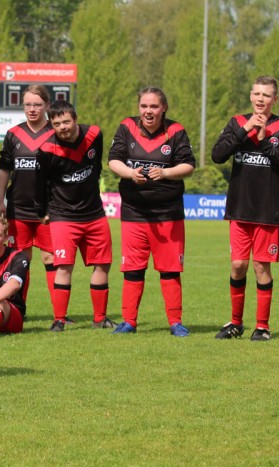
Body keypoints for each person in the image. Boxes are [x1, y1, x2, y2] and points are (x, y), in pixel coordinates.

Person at [211, 75, 279, 341]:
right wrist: (245, 129)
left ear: (275, 99)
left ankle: (262, 326)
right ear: (251, 96)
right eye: (257, 94)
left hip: (266, 211)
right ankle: (235, 323)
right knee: (238, 265)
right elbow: (218, 155)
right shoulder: (238, 122)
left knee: (261, 267)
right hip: (238, 208)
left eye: (266, 95)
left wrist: (263, 141)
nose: (261, 99)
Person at [107, 87, 196, 336]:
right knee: (133, 270)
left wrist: (165, 173)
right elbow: (113, 159)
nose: (148, 111)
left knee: (169, 270)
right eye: (144, 106)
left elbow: (189, 165)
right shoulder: (126, 127)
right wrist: (129, 173)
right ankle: (129, 321)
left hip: (168, 213)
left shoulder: (176, 131)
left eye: (154, 106)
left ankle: (175, 322)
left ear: (163, 108)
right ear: (139, 108)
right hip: (134, 212)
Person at [34, 100, 116, 332]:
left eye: (66, 121)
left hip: (94, 214)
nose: (63, 127)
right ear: (51, 125)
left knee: (102, 265)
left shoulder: (94, 134)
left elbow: (97, 165)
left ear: (75, 118)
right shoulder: (46, 150)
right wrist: (42, 212)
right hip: (63, 216)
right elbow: (39, 185)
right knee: (64, 267)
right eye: (57, 123)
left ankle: (100, 319)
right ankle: (59, 320)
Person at [0, 85, 74, 323]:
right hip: (17, 209)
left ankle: (58, 314)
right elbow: (4, 168)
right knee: (21, 261)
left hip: (49, 211)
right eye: (28, 104)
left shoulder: (55, 133)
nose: (32, 109)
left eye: (37, 105)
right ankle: (20, 309)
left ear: (47, 106)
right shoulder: (13, 134)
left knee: (51, 259)